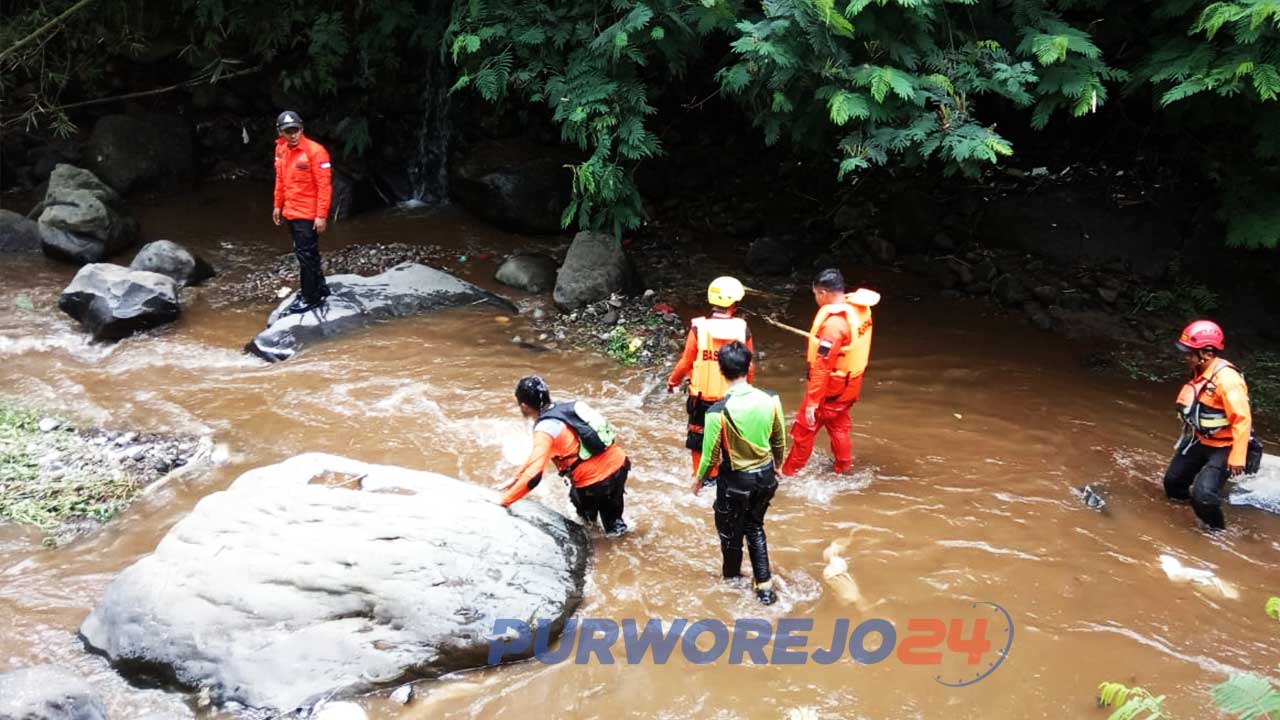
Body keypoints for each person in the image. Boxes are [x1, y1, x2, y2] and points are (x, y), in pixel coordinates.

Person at [691, 341, 787, 605]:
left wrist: (698, 480)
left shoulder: (717, 412)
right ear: (750, 367)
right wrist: (777, 464)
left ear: (721, 371)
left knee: (730, 533)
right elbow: (779, 439)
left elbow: (710, 455)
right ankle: (765, 587)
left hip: (735, 482)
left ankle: (732, 581)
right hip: (765, 478)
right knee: (754, 526)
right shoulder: (771, 399)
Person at [501, 376, 630, 536]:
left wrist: (504, 502)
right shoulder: (570, 408)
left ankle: (600, 553)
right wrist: (516, 478)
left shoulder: (544, 429)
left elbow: (534, 476)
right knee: (614, 523)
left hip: (593, 483)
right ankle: (623, 543)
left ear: (524, 406)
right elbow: (537, 458)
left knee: (588, 528)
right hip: (619, 465)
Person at [780, 268, 879, 476]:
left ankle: (789, 473)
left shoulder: (834, 326)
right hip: (849, 387)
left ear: (823, 293)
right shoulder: (859, 310)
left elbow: (822, 366)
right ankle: (843, 469)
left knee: (803, 431)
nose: (816, 298)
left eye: (816, 294)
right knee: (839, 426)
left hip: (829, 391)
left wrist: (813, 402)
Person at [1163, 320, 1257, 530]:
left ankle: (1217, 533)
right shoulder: (1200, 371)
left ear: (1206, 352)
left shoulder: (1227, 380)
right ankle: (1182, 515)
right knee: (1173, 483)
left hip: (1225, 446)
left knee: (1203, 496)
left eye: (1190, 352)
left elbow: (1242, 418)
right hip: (1201, 438)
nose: (1185, 357)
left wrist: (1238, 456)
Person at [667, 276, 754, 482]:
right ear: (734, 303)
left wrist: (673, 381)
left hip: (702, 401)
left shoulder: (699, 329)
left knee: (700, 443)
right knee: (731, 442)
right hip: (734, 400)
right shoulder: (743, 329)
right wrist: (748, 390)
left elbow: (685, 362)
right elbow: (749, 366)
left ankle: (704, 481)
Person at [272, 110, 332, 314]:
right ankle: (320, 288)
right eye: (288, 131)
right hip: (291, 210)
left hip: (307, 213)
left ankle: (310, 297)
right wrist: (277, 205)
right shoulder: (281, 150)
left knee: (306, 255)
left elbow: (324, 186)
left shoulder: (316, 151)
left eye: (296, 130)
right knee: (306, 253)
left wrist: (321, 215)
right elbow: (280, 180)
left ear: (302, 129)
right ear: (280, 132)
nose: (293, 135)